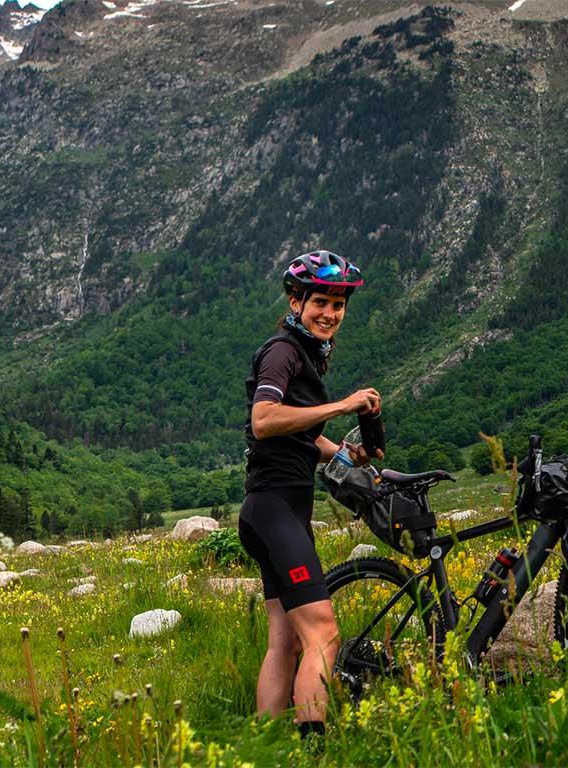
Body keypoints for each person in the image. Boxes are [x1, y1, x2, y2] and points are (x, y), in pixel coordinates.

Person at [241, 249, 381, 740]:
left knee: (285, 640)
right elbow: (263, 421)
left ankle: (263, 746)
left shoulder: (304, 355)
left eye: (338, 306)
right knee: (323, 632)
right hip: (275, 509)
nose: (330, 314)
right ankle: (312, 750)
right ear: (296, 300)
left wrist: (341, 453)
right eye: (320, 301)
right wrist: (343, 404)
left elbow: (298, 437)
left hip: (274, 511)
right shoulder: (282, 351)